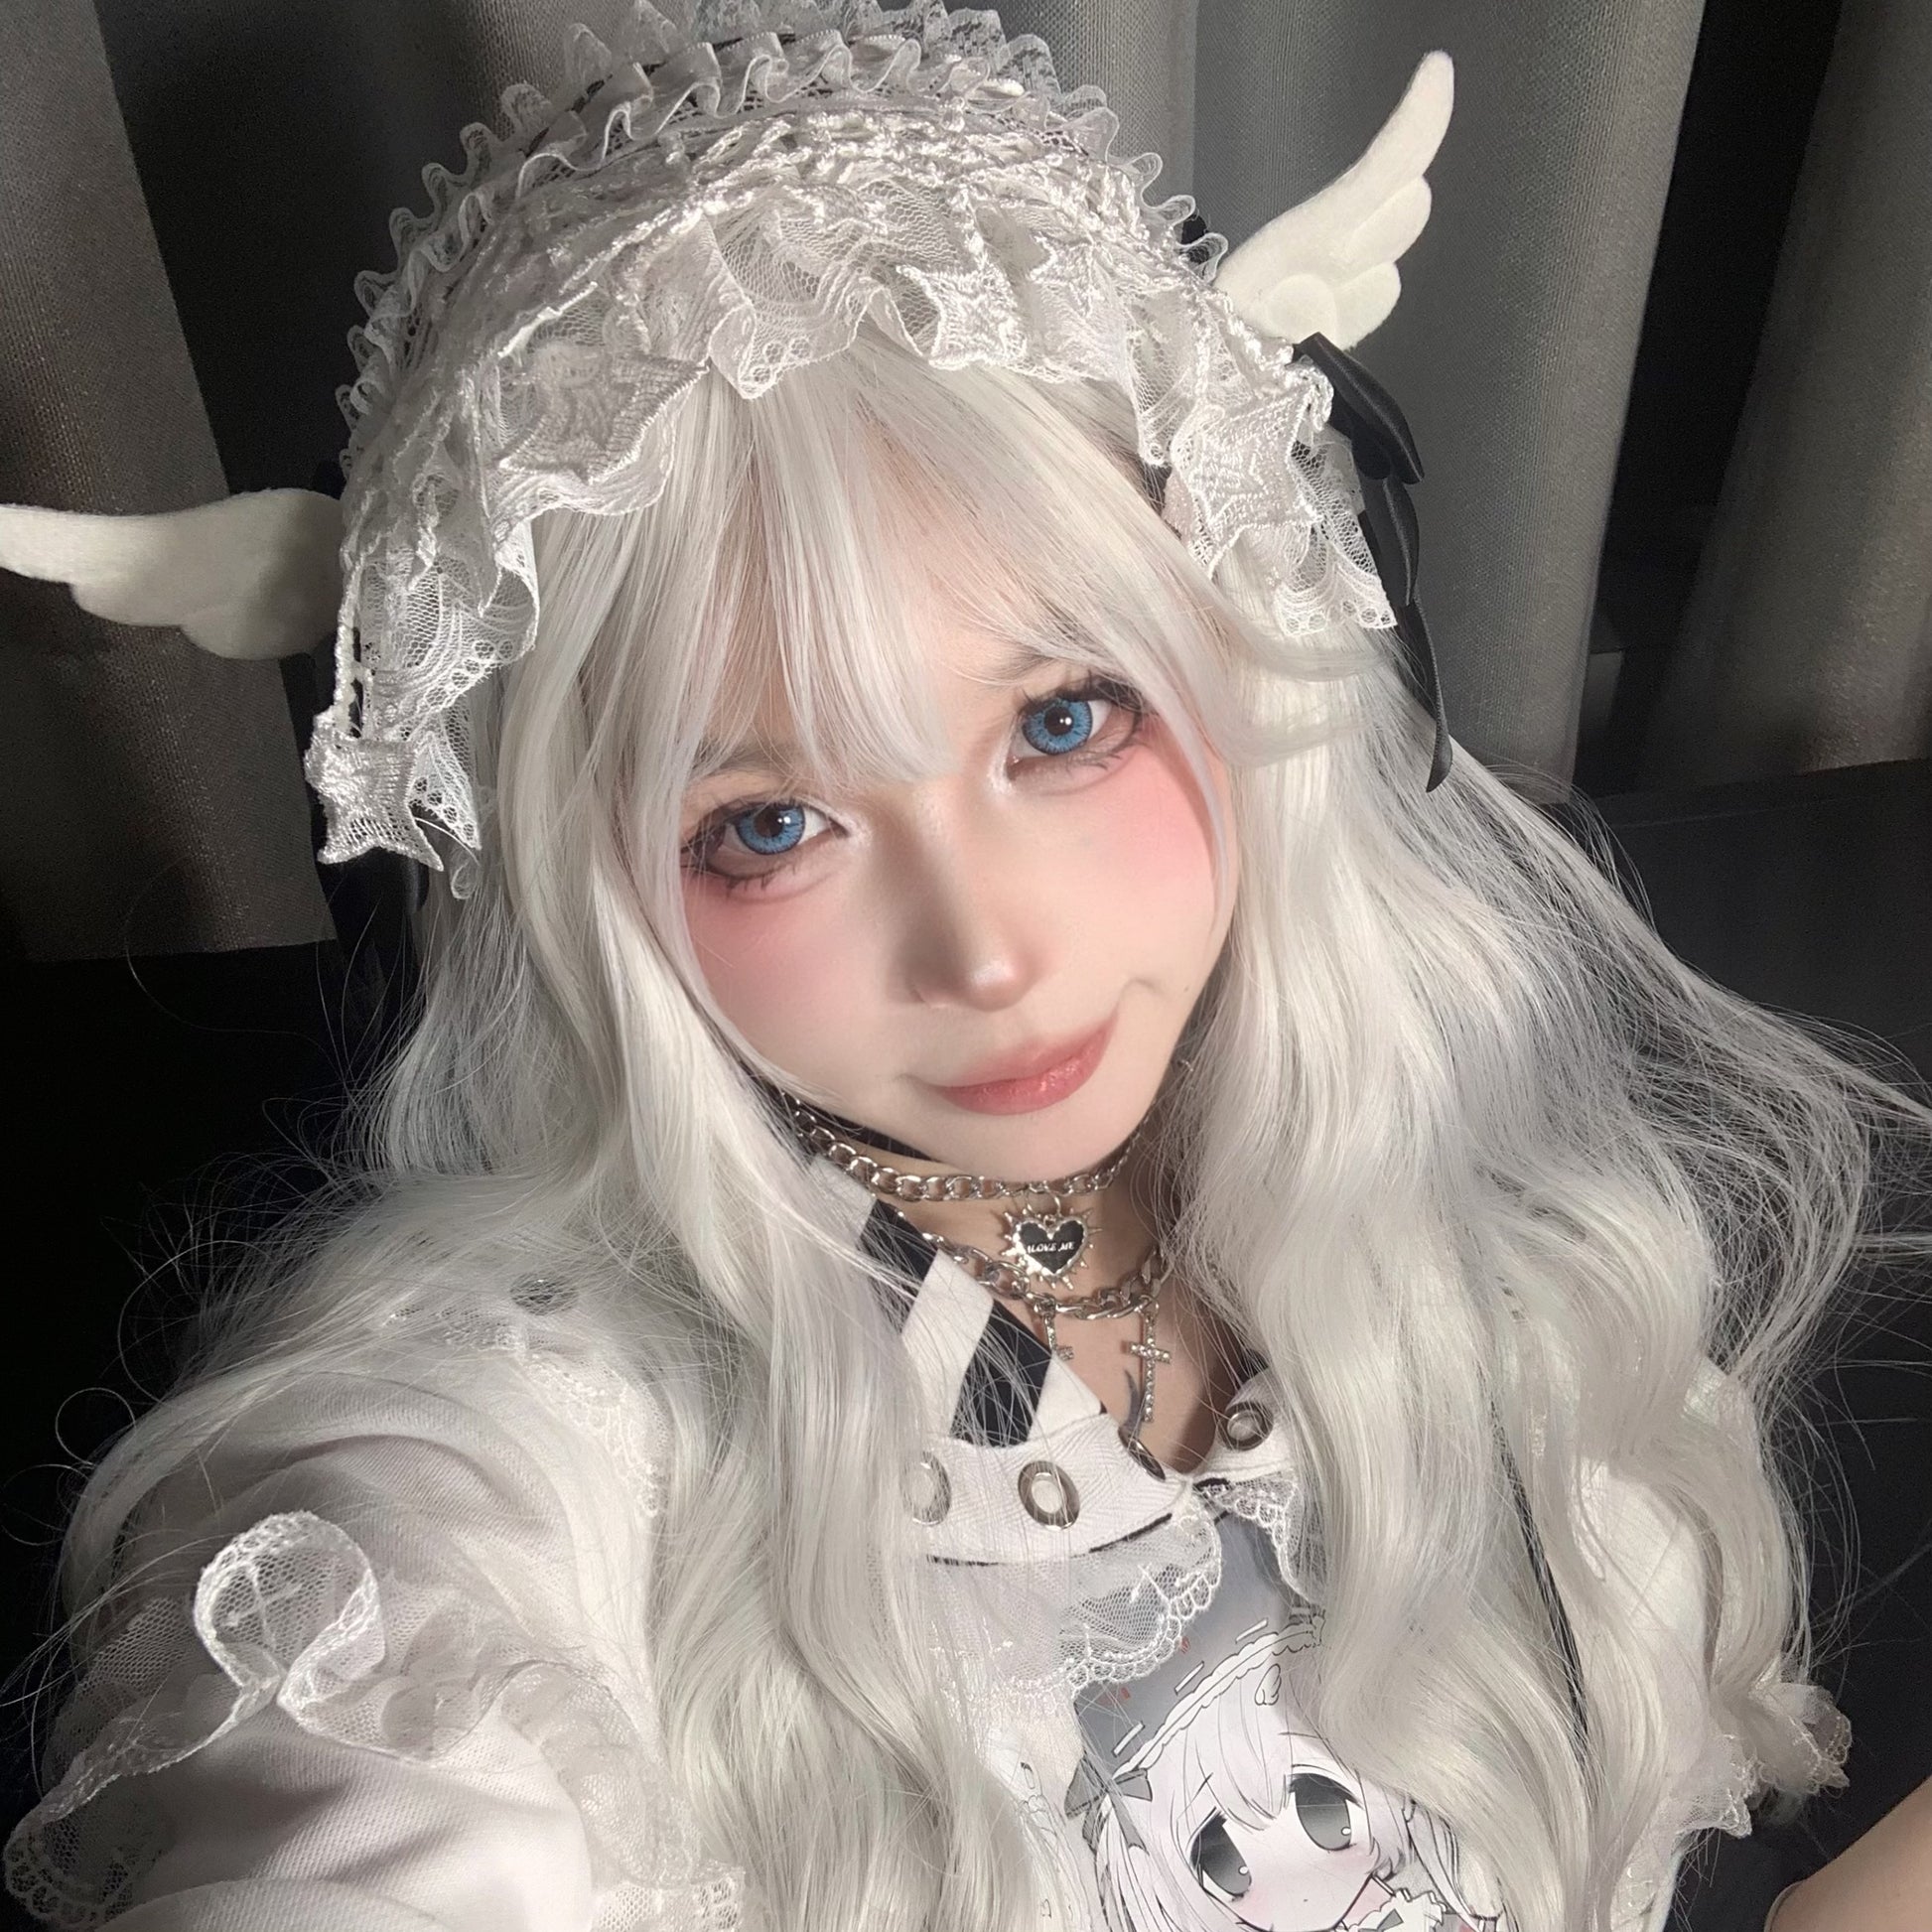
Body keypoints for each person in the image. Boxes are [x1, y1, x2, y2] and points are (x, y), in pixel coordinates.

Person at [3, 4, 1927, 1928]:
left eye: (1064, 722)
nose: (989, 952)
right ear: (588, 890)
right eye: (770, 823)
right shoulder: (517, 1467)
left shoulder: (1427, 1201)